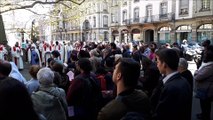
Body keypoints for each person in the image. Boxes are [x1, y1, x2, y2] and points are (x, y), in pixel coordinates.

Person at [151, 48, 191, 120]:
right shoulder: (183, 80)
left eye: (158, 62)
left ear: (164, 64)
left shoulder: (171, 88)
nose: (157, 65)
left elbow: (162, 115)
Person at [194, 45, 213, 120]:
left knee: (206, 105)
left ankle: (205, 117)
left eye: (205, 54)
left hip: (207, 89)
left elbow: (198, 76)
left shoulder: (210, 66)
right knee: (203, 104)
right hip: (204, 88)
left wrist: (196, 72)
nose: (204, 55)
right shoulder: (207, 65)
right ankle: (203, 115)